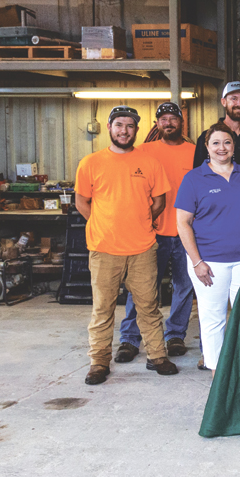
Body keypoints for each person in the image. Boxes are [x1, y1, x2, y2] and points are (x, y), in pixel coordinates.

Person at [75, 105, 177, 385]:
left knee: (149, 305)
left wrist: (142, 220)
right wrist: (103, 223)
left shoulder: (150, 163)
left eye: (130, 126)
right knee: (103, 308)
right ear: (109, 128)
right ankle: (98, 362)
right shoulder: (91, 162)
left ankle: (157, 356)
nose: (124, 130)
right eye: (119, 125)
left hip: (143, 248)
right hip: (104, 249)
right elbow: (82, 202)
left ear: (137, 130)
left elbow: (159, 202)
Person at [176, 122, 240, 375]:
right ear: (207, 148)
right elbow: (183, 223)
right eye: (216, 143)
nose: (222, 148)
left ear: (234, 147)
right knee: (213, 319)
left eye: (227, 142)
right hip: (210, 261)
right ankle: (217, 373)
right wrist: (197, 262)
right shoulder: (194, 179)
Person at [116, 102, 196, 363]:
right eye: (164, 119)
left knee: (184, 286)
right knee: (141, 287)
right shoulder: (143, 151)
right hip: (152, 232)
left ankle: (175, 335)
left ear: (181, 123)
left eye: (174, 119)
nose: (169, 123)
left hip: (186, 233)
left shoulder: (195, 152)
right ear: (156, 123)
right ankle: (130, 339)